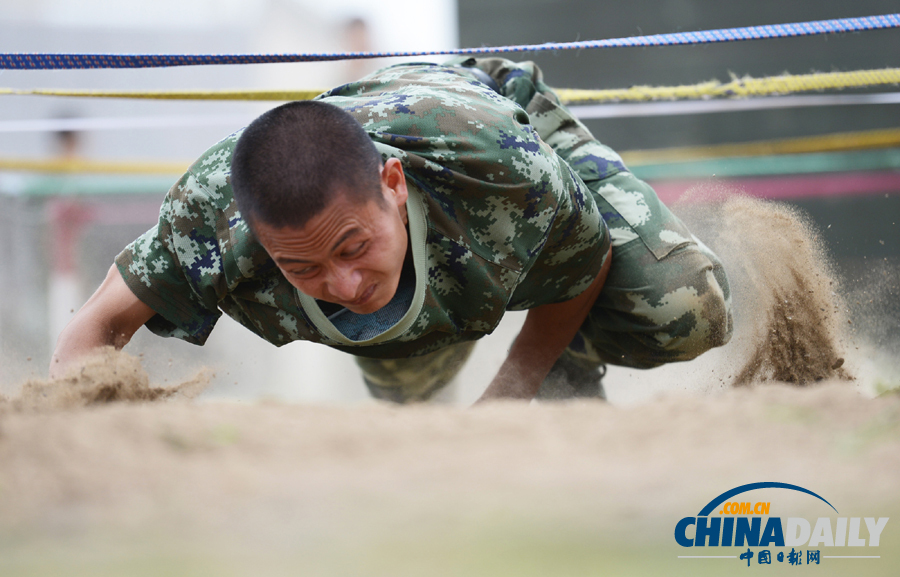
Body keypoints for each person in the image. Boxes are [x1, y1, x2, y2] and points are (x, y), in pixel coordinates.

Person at [49, 57, 733, 403]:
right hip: (386, 186)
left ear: (393, 185)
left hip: (495, 120)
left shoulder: (497, 160)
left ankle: (571, 363)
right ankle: (412, 333)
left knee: (683, 306)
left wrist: (515, 388)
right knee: (411, 395)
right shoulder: (208, 218)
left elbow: (584, 257)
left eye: (353, 248)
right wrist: (74, 422)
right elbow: (97, 323)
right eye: (302, 268)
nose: (344, 284)